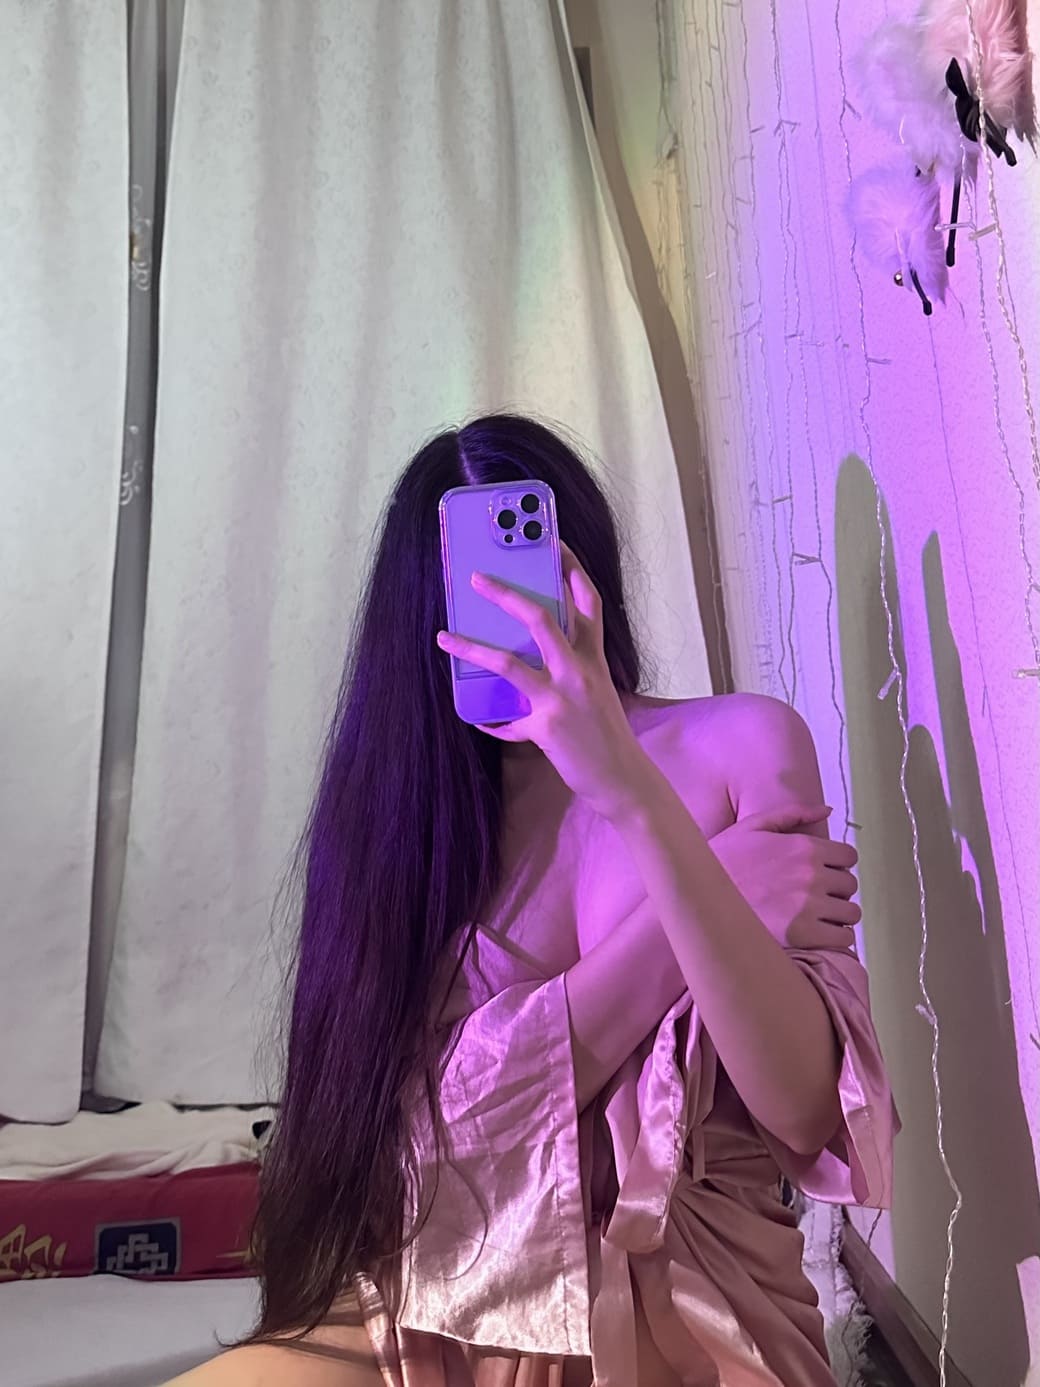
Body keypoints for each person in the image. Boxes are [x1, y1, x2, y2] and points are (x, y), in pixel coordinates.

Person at [166, 414, 896, 1387]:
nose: (509, 614)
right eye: (473, 586)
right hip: (436, 1297)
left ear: (583, 569)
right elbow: (425, 1143)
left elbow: (803, 1110)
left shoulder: (740, 746)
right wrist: (698, 906)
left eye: (526, 567)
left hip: (699, 1318)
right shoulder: (407, 822)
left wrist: (632, 794)